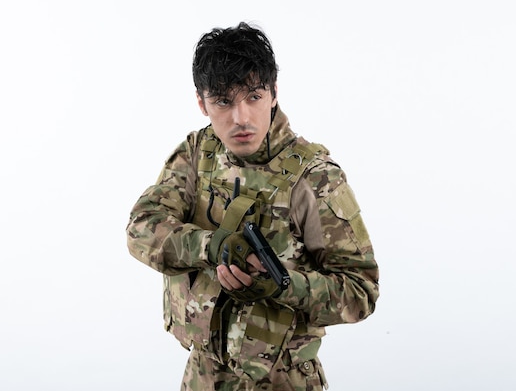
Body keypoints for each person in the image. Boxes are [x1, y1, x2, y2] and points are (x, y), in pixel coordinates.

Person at [126, 22, 379, 391]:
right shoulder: (198, 155)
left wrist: (281, 286)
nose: (241, 117)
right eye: (223, 101)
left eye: (254, 97)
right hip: (203, 374)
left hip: (283, 379)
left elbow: (361, 291)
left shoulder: (314, 178)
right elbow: (141, 228)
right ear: (201, 103)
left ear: (274, 93)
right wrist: (209, 247)